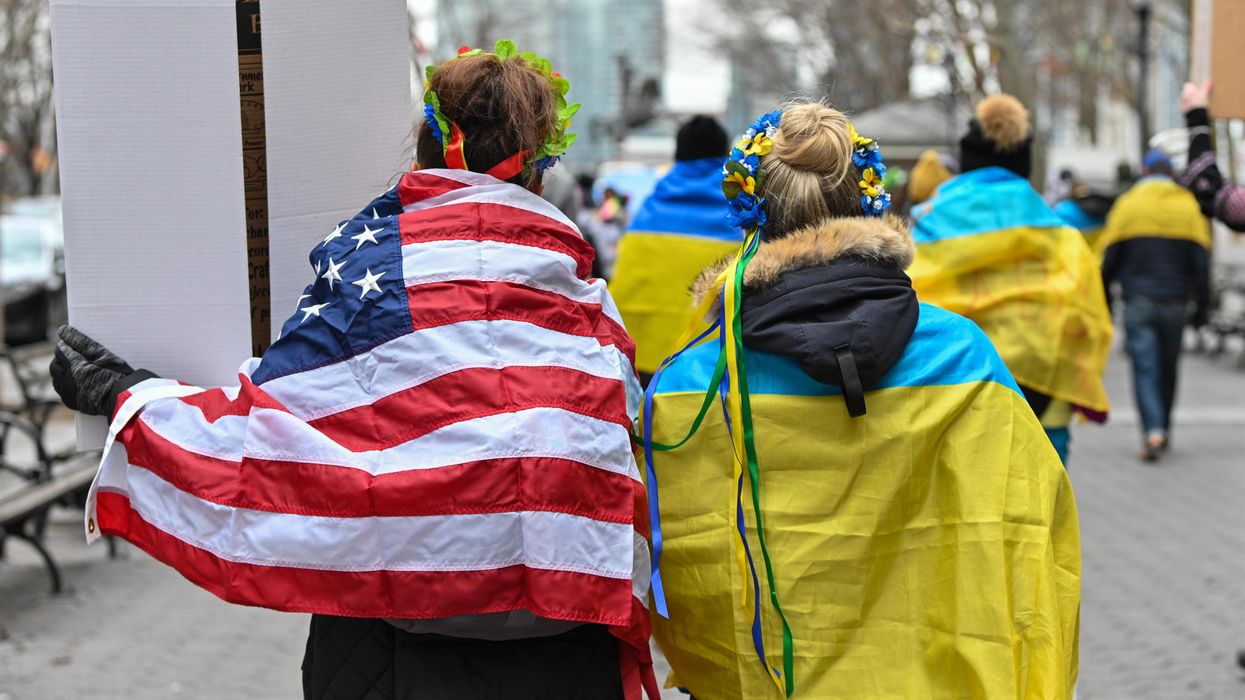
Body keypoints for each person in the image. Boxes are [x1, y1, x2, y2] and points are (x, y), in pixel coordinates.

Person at [49, 41, 659, 700]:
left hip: (393, 655)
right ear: (538, 175)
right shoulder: (587, 304)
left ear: (425, 152)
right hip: (565, 657)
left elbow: (262, 439)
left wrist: (126, 396)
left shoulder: (368, 276)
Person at [642, 101, 1080, 698]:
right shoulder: (965, 358)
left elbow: (686, 578)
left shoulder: (688, 386)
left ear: (749, 213)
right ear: (869, 197)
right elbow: (1030, 542)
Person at [908, 94, 1114, 464]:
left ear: (967, 160)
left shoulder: (924, 228)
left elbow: (908, 309)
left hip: (952, 402)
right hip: (1043, 407)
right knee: (1043, 517)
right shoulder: (1063, 237)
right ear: (1024, 163)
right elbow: (1090, 317)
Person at [1099, 148, 1210, 461]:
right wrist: (1202, 309)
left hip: (1138, 303)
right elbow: (1201, 265)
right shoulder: (1187, 206)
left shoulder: (1128, 205)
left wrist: (1105, 304)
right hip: (1175, 303)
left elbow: (1108, 264)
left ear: (1145, 173)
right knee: (1168, 368)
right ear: (1171, 174)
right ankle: (1164, 428)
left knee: (1145, 368)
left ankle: (1153, 430)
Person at [609, 116, 740, 381]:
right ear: (725, 153)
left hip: (647, 365)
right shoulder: (739, 215)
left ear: (678, 152)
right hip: (713, 365)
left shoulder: (649, 210)